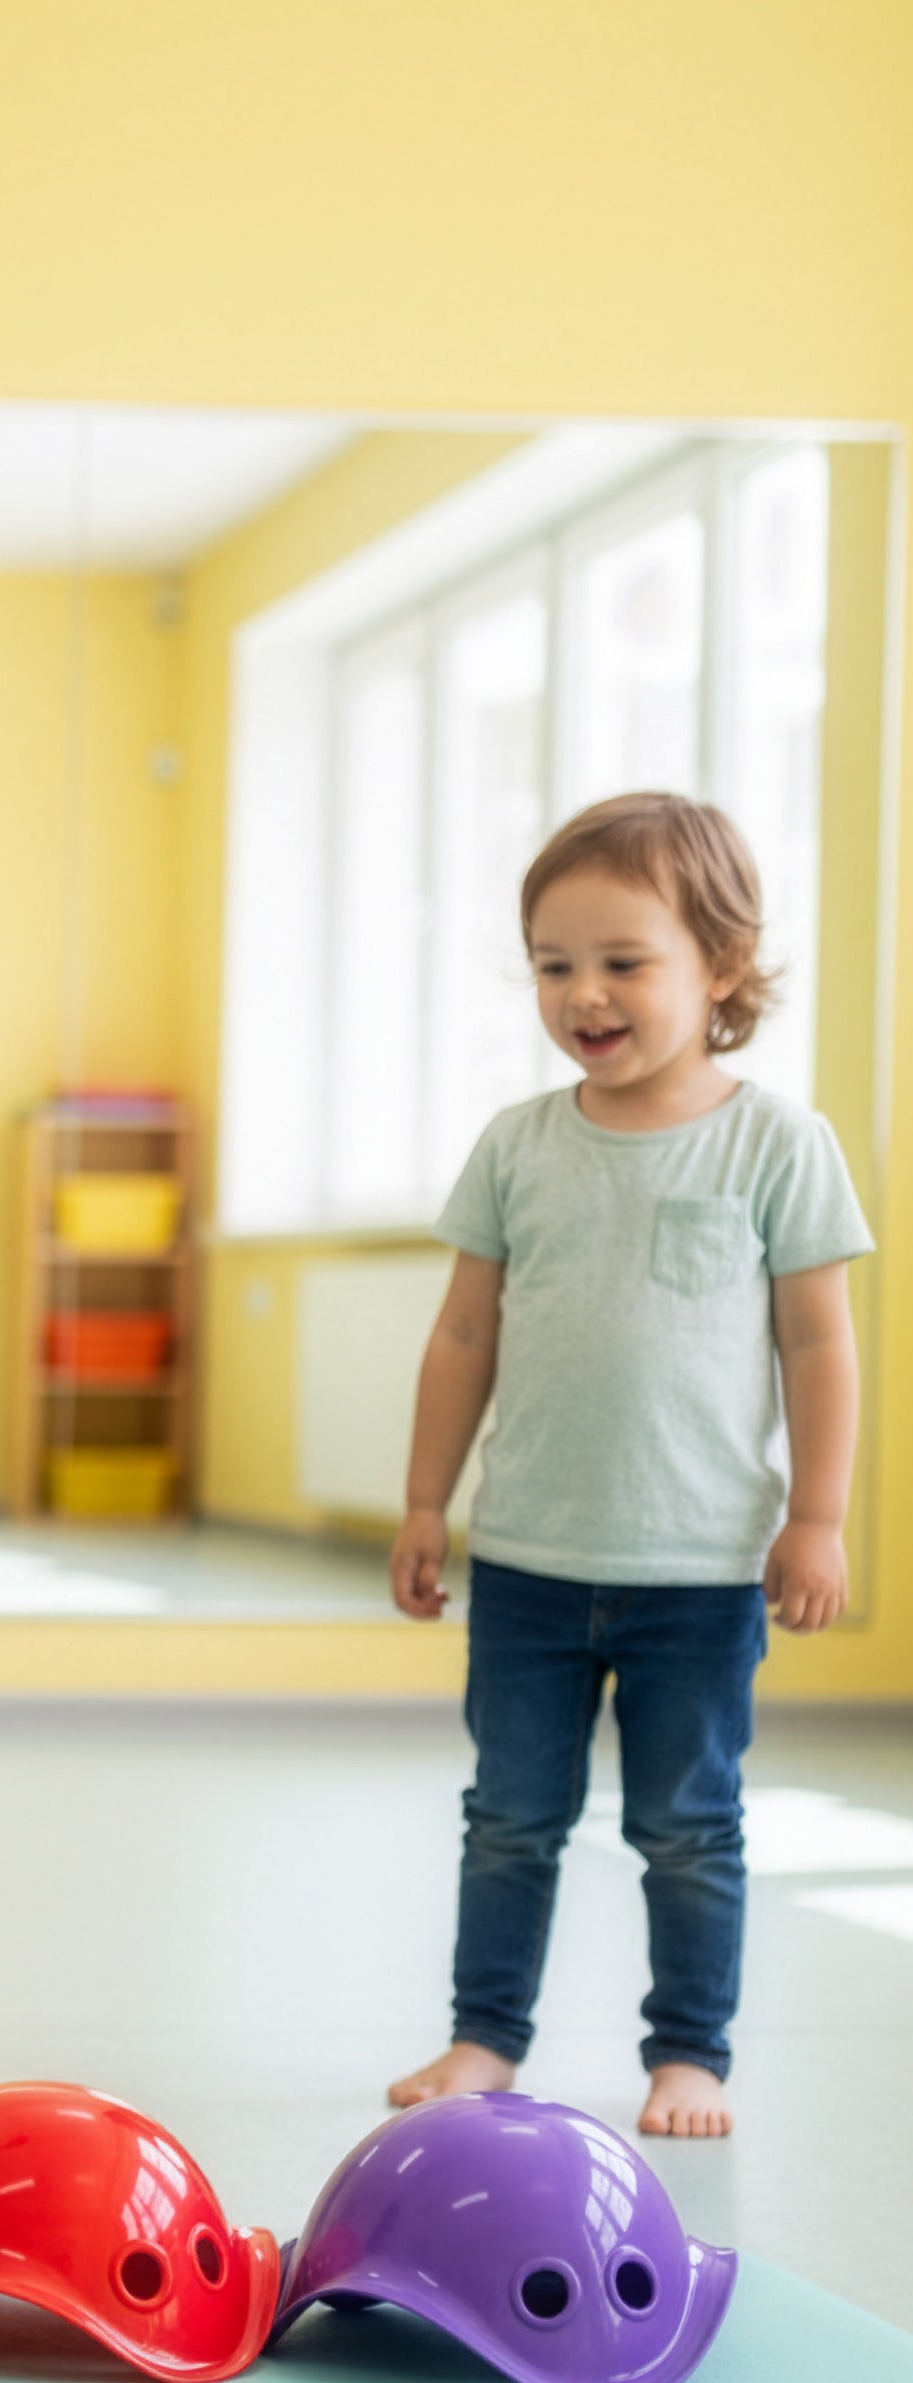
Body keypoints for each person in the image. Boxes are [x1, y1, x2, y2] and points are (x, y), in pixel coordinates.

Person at [387, 791, 872, 2140]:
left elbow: (819, 1342)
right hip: (529, 1561)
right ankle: (485, 2036)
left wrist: (818, 1516)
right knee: (509, 1817)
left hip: (700, 1570)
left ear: (722, 965)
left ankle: (690, 2054)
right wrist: (426, 1501)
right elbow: (464, 1333)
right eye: (554, 964)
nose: (582, 995)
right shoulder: (519, 1146)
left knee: (688, 1826)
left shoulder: (778, 1145)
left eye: (622, 962)